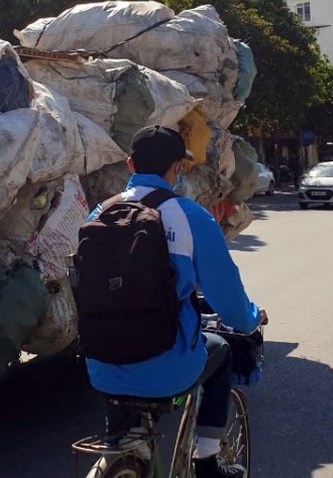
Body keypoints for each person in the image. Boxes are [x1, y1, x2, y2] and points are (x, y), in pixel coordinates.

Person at [84, 125, 264, 478]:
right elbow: (228, 300)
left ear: (130, 165)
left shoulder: (98, 214)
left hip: (100, 365)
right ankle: (208, 461)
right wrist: (250, 320)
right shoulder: (190, 217)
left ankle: (119, 440)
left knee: (119, 383)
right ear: (179, 167)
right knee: (222, 349)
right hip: (168, 367)